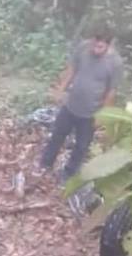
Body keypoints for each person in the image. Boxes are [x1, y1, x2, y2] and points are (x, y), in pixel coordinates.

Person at [39, 25, 124, 181]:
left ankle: (69, 173)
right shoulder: (83, 48)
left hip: (90, 113)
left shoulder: (115, 63)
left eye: (100, 46)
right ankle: (45, 164)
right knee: (57, 135)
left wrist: (103, 116)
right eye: (94, 44)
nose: (96, 49)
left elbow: (111, 92)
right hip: (71, 105)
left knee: (81, 146)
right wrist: (60, 89)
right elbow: (71, 69)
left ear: (108, 45)